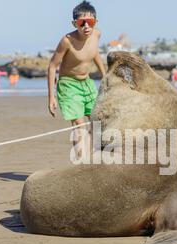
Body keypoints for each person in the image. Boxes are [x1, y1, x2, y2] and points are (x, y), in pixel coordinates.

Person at [47, 1, 106, 159]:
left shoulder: (97, 34)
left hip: (87, 83)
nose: (86, 26)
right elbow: (52, 66)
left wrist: (105, 76)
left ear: (96, 22)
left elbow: (94, 53)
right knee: (79, 126)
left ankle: (90, 157)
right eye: (81, 23)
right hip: (68, 85)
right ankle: (82, 161)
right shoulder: (67, 41)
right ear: (75, 23)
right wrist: (51, 97)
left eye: (90, 22)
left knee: (97, 122)